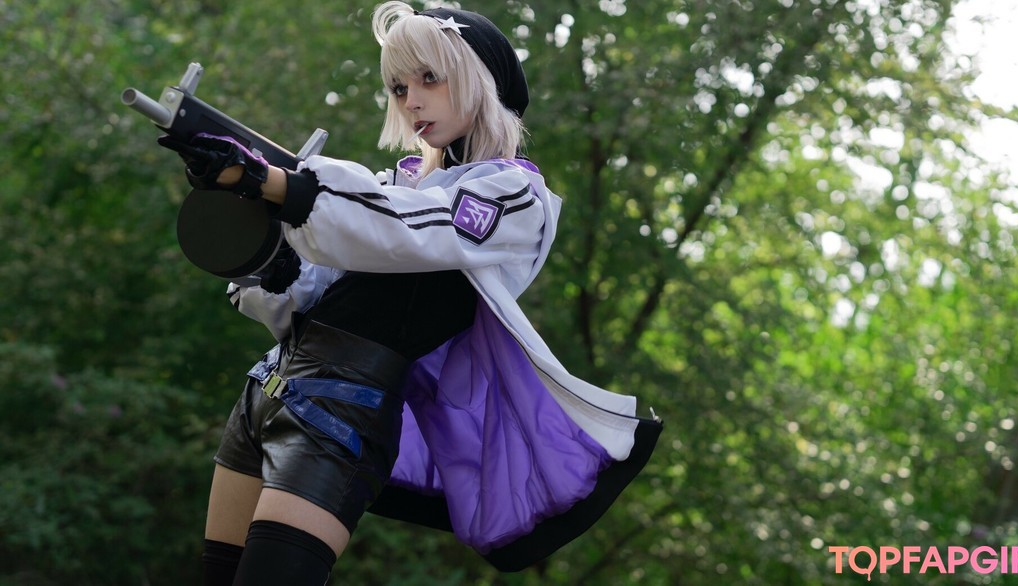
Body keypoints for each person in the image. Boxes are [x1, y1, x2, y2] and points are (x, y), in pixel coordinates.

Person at [159, 3, 661, 584]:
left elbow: (411, 229)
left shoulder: (515, 196)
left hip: (340, 412)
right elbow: (307, 288)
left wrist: (278, 184)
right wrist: (251, 208)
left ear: (480, 80)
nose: (411, 101)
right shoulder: (392, 187)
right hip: (264, 391)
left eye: (429, 79)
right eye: (399, 88)